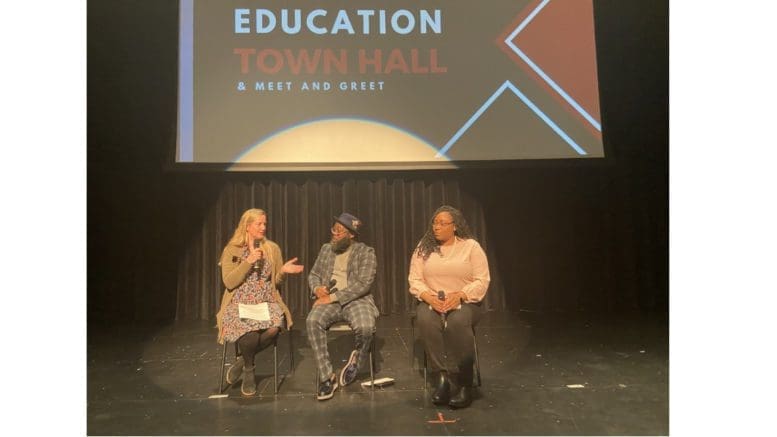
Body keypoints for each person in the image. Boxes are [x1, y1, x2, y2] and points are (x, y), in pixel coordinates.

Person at [408, 205, 490, 408]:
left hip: (466, 302)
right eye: (434, 223)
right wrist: (428, 297)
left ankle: (465, 383)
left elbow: (482, 280)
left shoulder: (471, 247)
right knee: (425, 319)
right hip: (432, 300)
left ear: (454, 226)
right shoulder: (423, 248)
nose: (436, 227)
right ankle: (441, 377)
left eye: (442, 223)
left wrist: (460, 295)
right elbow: (415, 279)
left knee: (458, 321)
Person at [216, 208, 304, 396]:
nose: (264, 227)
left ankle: (242, 363)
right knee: (250, 331)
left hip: (265, 301)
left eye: (265, 223)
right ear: (247, 226)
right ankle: (249, 370)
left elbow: (276, 281)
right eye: (259, 224)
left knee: (274, 327)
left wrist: (283, 272)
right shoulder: (232, 249)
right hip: (239, 302)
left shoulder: (272, 249)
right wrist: (248, 261)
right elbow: (229, 282)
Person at [307, 212, 379, 401]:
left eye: (340, 231)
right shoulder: (326, 249)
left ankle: (357, 359)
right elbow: (313, 274)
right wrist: (317, 288)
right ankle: (326, 377)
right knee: (312, 320)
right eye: (334, 229)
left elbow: (363, 284)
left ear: (351, 234)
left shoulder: (366, 252)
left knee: (366, 327)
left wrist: (333, 297)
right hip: (329, 299)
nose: (335, 234)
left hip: (357, 300)